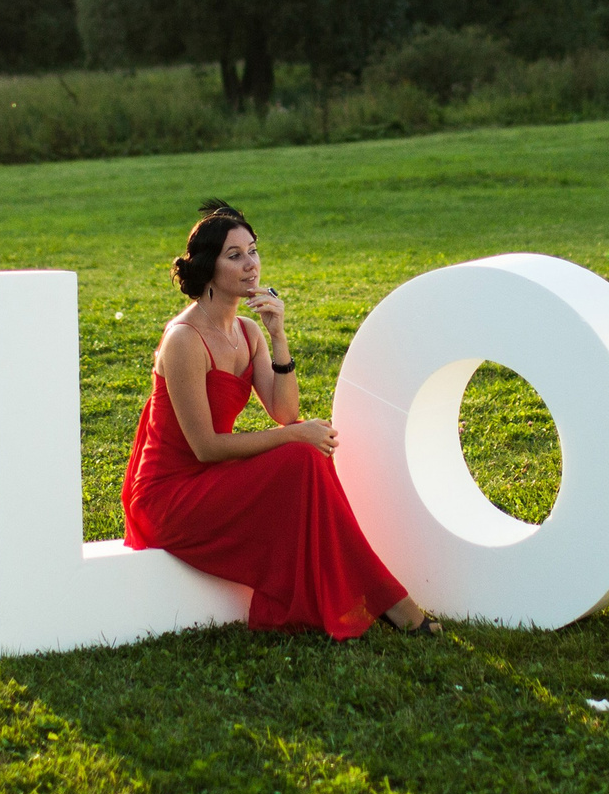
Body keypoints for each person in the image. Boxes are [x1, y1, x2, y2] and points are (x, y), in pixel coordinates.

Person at [121, 200, 440, 640]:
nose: (250, 265)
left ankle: (376, 596)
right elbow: (205, 447)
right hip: (169, 495)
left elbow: (284, 412)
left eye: (253, 251)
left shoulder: (249, 333)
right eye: (234, 256)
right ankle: (388, 599)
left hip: (211, 479)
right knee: (300, 455)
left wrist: (278, 335)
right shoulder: (184, 340)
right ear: (208, 269)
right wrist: (293, 434)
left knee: (304, 455)